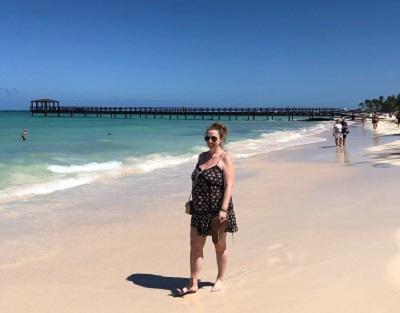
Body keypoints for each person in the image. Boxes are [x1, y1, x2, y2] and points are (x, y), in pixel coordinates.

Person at [177, 122, 238, 295]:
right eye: (207, 138)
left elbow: (229, 185)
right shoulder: (201, 157)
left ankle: (220, 279)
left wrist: (223, 210)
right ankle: (193, 283)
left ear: (221, 139)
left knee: (219, 246)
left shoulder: (225, 158)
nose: (210, 141)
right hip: (199, 211)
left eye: (213, 138)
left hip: (217, 211)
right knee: (195, 246)